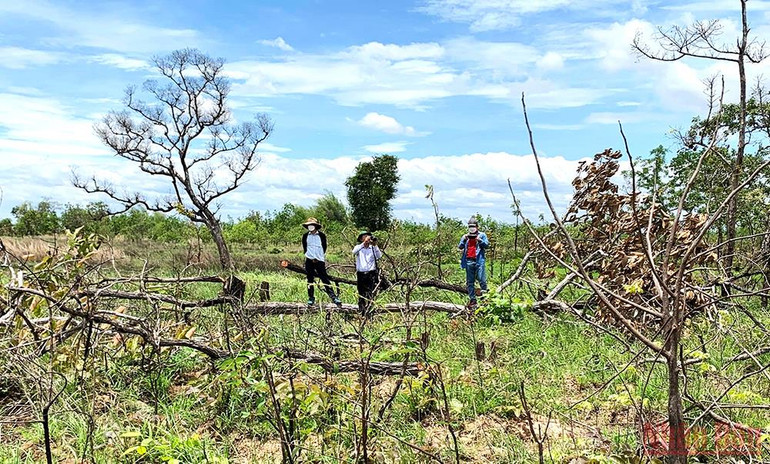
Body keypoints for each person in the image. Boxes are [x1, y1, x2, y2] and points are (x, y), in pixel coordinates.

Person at [301, 217, 342, 307]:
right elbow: (305, 247)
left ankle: (333, 297)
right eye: (309, 225)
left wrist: (318, 257)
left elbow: (324, 247)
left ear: (315, 226)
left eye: (312, 225)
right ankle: (311, 297)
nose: (310, 227)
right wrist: (310, 256)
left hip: (319, 260)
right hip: (309, 260)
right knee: (310, 279)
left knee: (324, 278)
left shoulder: (322, 235)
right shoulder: (305, 236)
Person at [458, 216, 489, 308]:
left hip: (479, 261)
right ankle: (473, 300)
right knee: (470, 282)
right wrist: (464, 240)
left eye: (473, 226)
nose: (472, 228)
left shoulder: (482, 235)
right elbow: (460, 246)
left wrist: (480, 241)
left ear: (477, 227)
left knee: (482, 280)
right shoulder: (465, 236)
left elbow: (487, 245)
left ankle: (484, 298)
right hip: (469, 261)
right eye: (470, 226)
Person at [352, 231, 382, 315]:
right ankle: (361, 311)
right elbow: (354, 252)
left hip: (371, 273)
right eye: (365, 237)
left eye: (368, 236)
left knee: (370, 293)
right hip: (361, 274)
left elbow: (379, 256)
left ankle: (370, 311)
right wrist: (363, 244)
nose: (367, 238)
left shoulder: (372, 248)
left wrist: (375, 245)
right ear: (361, 239)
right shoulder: (358, 247)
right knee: (361, 293)